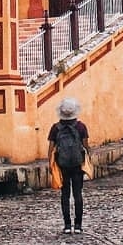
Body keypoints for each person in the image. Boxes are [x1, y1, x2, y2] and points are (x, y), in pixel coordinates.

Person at [48, 97, 89, 235]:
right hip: (77, 165)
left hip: (62, 164)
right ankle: (78, 225)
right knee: (77, 194)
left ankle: (67, 225)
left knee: (65, 195)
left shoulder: (55, 128)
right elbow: (86, 146)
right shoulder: (81, 127)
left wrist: (50, 164)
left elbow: (51, 148)